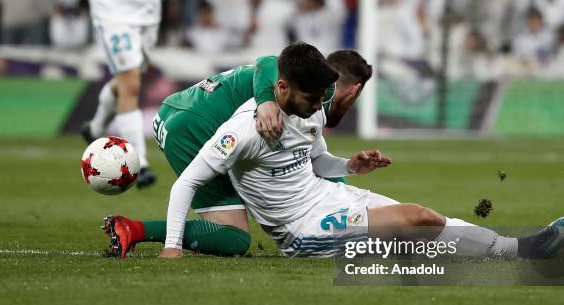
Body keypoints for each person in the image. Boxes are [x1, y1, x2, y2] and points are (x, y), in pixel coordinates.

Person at [158, 42, 564, 259]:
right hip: (303, 230)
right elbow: (187, 182)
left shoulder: (311, 108)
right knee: (416, 219)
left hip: (330, 198)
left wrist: (351, 166)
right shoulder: (243, 130)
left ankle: (505, 249)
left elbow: (316, 159)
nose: (320, 104)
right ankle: (518, 252)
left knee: (424, 223)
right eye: (313, 96)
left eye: (324, 95)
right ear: (281, 88)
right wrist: (172, 247)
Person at [102, 47, 373, 258]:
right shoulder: (303, 90)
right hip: (192, 127)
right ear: (354, 91)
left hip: (184, 109)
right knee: (234, 238)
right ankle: (135, 229)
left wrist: (348, 168)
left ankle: (348, 226)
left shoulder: (304, 84)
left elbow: (314, 163)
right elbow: (267, 60)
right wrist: (266, 102)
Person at [81, 0, 162, 188]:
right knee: (130, 82)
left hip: (149, 13)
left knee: (129, 80)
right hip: (113, 11)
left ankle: (95, 128)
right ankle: (140, 163)